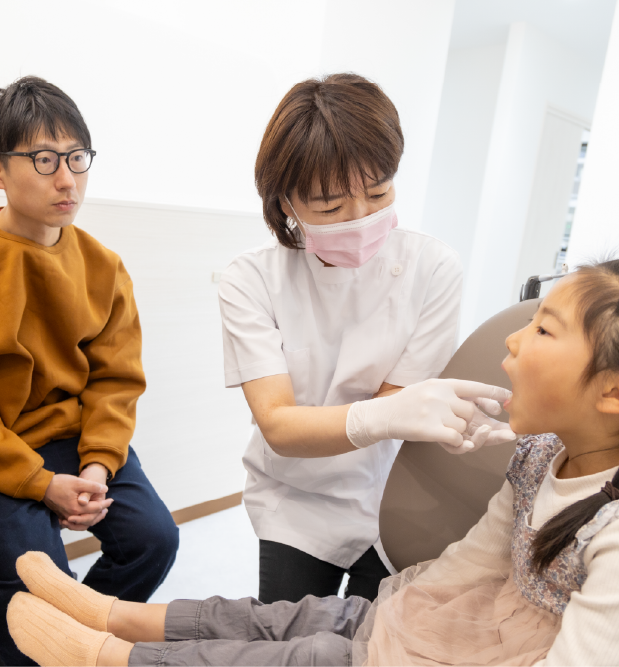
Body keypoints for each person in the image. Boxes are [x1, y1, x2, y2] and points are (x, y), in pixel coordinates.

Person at [3, 254, 619, 667]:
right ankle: (112, 613)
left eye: (545, 327)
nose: (516, 342)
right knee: (304, 615)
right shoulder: (546, 452)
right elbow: (478, 554)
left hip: (496, 654)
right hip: (473, 615)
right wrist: (398, 608)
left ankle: (106, 657)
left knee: (304, 655)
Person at [216, 72, 515, 603]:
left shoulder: (432, 267)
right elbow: (281, 426)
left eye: (379, 194)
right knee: (283, 639)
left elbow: (402, 408)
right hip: (295, 498)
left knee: (368, 642)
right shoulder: (251, 279)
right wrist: (388, 414)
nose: (360, 219)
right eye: (330, 208)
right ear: (286, 203)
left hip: (391, 492)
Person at [0, 76, 179, 666]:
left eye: (76, 158)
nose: (66, 179)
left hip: (70, 444)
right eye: (43, 160)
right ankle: (37, 643)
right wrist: (42, 485)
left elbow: (115, 383)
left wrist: (96, 467)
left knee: (154, 540)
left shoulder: (103, 266)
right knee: (39, 577)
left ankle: (64, 642)